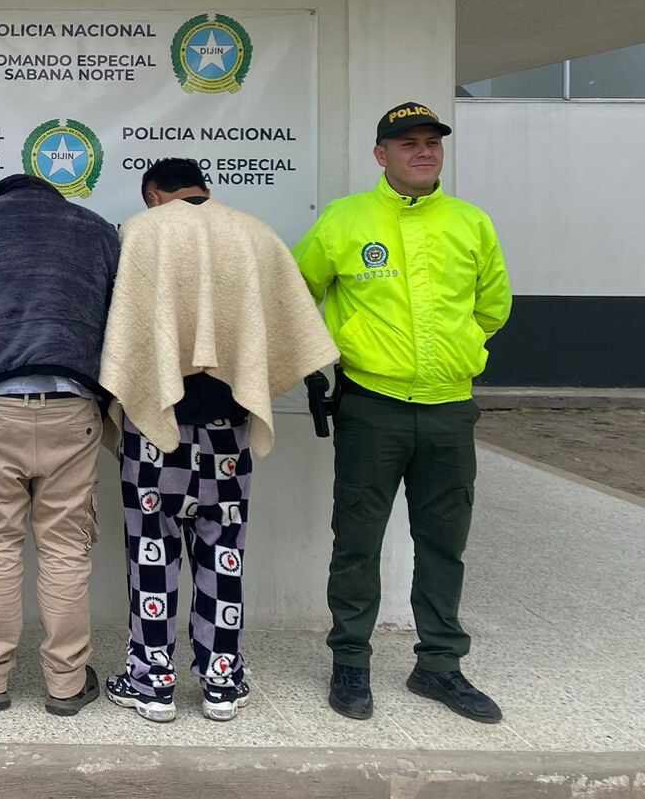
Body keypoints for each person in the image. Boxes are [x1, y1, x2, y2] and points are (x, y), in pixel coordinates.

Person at [295, 102, 512, 724]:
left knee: (444, 543)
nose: (424, 152)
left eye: (432, 143)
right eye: (408, 143)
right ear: (380, 155)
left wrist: (457, 351)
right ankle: (351, 664)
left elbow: (493, 307)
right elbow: (298, 292)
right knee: (357, 541)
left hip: (450, 410)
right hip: (372, 408)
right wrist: (340, 345)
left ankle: (440, 666)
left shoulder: (471, 224)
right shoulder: (345, 220)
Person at [98, 159, 336, 723]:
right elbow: (289, 321)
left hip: (156, 423)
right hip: (228, 428)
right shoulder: (255, 233)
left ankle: (151, 682)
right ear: (205, 188)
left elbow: (121, 330)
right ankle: (221, 682)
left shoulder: (138, 231)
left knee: (150, 550)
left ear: (153, 194)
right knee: (222, 551)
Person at [0, 173, 120, 717]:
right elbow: (115, 319)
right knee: (66, 546)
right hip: (74, 405)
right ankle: (66, 683)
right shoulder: (98, 232)